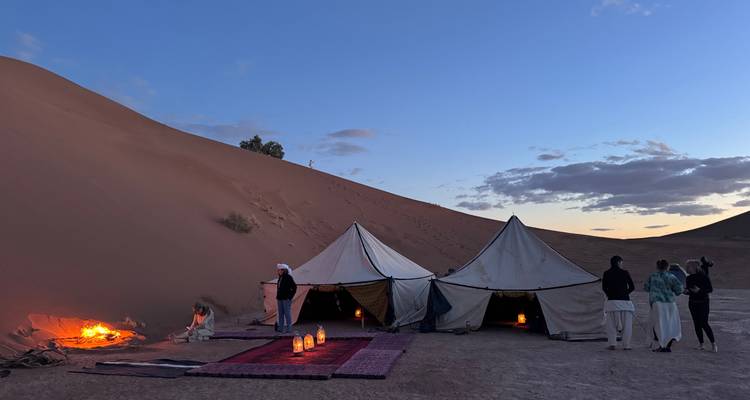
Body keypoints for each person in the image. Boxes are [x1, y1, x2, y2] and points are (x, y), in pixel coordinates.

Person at [644, 259, 684, 352]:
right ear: (667, 267)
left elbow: (646, 287)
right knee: (670, 324)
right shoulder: (671, 276)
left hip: (657, 303)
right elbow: (679, 290)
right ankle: (667, 345)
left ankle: (662, 345)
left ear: (657, 267)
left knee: (658, 325)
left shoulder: (652, 276)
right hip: (670, 303)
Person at [602, 255, 635, 350]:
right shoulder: (625, 273)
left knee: (611, 325)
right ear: (619, 262)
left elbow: (604, 287)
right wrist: (624, 293)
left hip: (612, 302)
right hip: (625, 302)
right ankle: (626, 345)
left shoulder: (606, 273)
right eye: (621, 262)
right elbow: (632, 287)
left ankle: (612, 344)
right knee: (627, 325)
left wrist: (610, 294)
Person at [685, 259, 717, 352]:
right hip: (692, 302)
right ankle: (701, 344)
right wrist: (686, 292)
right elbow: (689, 290)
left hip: (703, 302)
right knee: (696, 323)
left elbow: (710, 289)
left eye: (688, 267)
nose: (686, 268)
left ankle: (713, 344)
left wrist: (699, 290)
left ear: (693, 267)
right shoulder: (689, 278)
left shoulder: (703, 276)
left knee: (704, 323)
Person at [276, 263, 297, 333]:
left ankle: (289, 328)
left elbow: (294, 287)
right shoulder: (280, 278)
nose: (278, 271)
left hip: (286, 299)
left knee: (287, 313)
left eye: (279, 270)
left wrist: (290, 297)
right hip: (279, 298)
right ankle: (281, 328)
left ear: (283, 270)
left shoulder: (288, 277)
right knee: (281, 313)